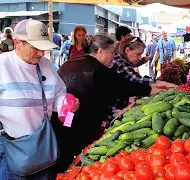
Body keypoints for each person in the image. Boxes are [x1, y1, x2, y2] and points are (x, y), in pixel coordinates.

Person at [51, 34, 164, 174]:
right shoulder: (99, 70)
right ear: (100, 51)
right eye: (111, 52)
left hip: (62, 121)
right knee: (75, 161)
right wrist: (150, 90)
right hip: (80, 124)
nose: (113, 56)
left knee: (63, 159)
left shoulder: (71, 62)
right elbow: (125, 87)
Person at [0, 19, 79, 180]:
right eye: (36, 48)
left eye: (43, 48)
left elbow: (58, 94)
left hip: (43, 147)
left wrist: (66, 105)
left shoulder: (46, 65)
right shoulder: (3, 65)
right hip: (12, 149)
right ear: (18, 43)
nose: (41, 54)